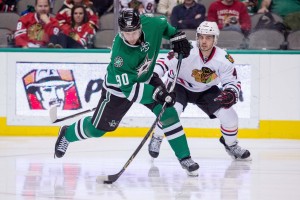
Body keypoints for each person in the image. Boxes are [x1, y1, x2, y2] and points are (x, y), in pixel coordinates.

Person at [54, 8, 200, 176]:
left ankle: (185, 158)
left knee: (169, 113)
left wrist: (177, 37)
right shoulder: (119, 55)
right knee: (97, 130)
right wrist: (159, 93)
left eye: (134, 32)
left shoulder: (153, 23)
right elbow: (130, 91)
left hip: (145, 77)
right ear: (120, 31)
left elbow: (167, 29)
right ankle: (67, 133)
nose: (131, 37)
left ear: (141, 26)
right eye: (126, 33)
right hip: (119, 90)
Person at [148, 21, 251, 161]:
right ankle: (157, 136)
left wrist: (231, 92)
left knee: (230, 116)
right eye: (201, 37)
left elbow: (231, 81)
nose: (204, 41)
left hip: (206, 90)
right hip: (180, 85)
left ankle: (231, 145)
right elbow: (164, 62)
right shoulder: (186, 49)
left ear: (215, 39)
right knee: (173, 111)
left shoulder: (224, 58)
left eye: (208, 37)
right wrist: (155, 75)